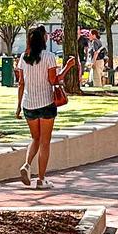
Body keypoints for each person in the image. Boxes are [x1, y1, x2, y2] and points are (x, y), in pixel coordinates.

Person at [15, 25, 75, 189]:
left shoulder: (23, 57)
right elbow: (54, 81)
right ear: (43, 39)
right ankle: (41, 180)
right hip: (46, 103)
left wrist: (18, 107)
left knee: (35, 138)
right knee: (45, 142)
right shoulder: (49, 56)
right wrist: (68, 67)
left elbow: (21, 83)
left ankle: (27, 165)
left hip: (28, 104)